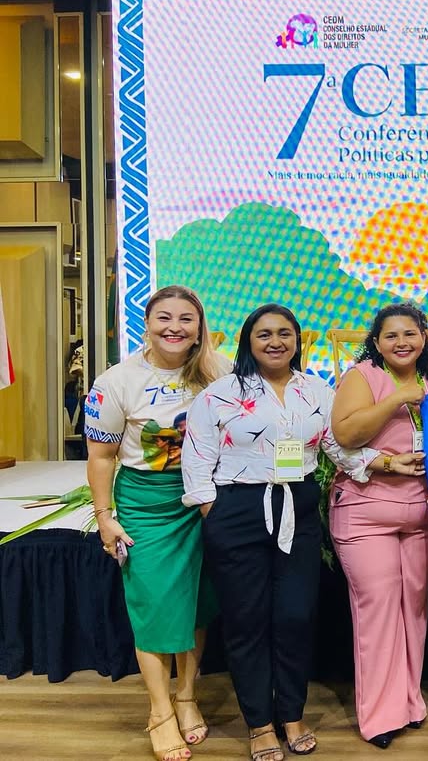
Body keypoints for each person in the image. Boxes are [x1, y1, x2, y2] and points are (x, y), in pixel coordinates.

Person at [182, 303, 372, 761]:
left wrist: (383, 463)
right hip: (237, 509)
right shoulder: (219, 394)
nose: (275, 341)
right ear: (248, 341)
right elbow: (198, 458)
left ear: (297, 340)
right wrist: (213, 509)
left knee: (295, 616)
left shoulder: (317, 390)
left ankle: (291, 713)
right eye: (264, 333)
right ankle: (259, 723)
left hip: (298, 509)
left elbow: (336, 447)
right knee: (246, 622)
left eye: (284, 333)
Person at [85, 285, 229, 761]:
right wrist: (105, 517)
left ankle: (186, 696)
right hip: (147, 506)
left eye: (186, 318)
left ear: (199, 327)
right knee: (154, 606)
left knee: (198, 602)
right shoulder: (116, 381)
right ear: (146, 323)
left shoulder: (221, 371)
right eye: (164, 317)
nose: (174, 327)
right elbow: (101, 457)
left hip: (205, 502)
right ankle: (160, 710)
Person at [329, 302, 428, 749]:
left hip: (422, 516)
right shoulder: (362, 377)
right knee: (377, 609)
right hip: (365, 512)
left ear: (424, 338)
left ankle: (409, 702)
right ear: (376, 343)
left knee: (414, 610)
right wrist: (398, 398)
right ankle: (379, 716)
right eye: (391, 335)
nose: (402, 342)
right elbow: (345, 435)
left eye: (410, 334)